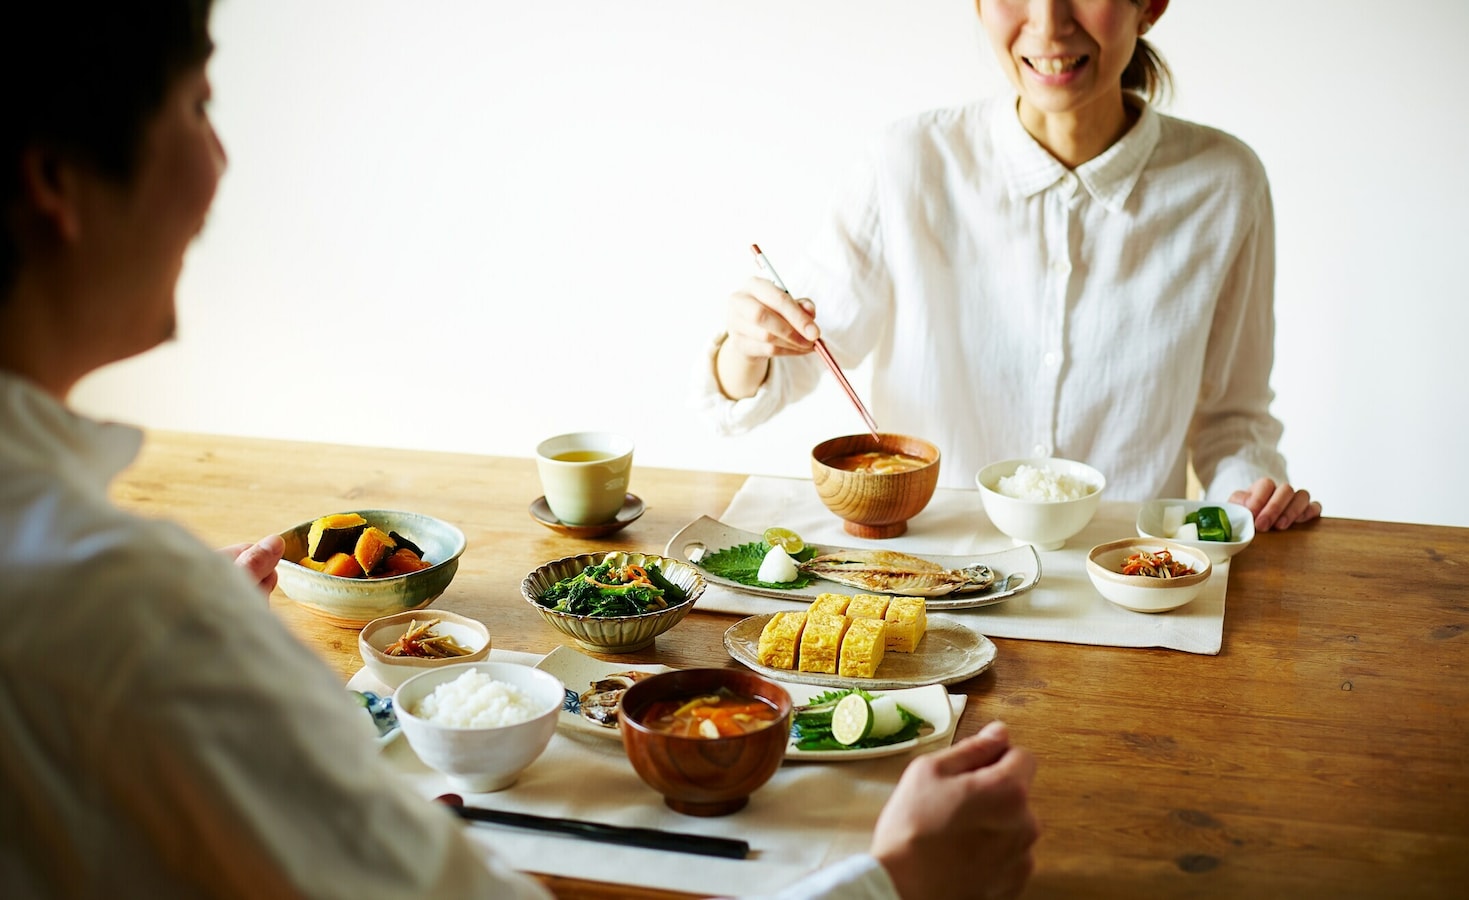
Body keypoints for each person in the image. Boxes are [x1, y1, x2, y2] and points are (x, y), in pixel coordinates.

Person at [0, 3, 1037, 898]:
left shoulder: (109, 601)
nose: (220, 161)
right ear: (54, 179)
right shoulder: (121, 609)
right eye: (197, 108)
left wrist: (179, 634)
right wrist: (893, 882)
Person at [697, 0, 1321, 533]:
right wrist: (749, 343)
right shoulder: (906, 162)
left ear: (1150, 3)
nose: (1048, 26)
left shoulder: (1225, 182)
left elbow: (1234, 421)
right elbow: (778, 374)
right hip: (927, 580)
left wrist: (1251, 496)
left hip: (1125, 579)